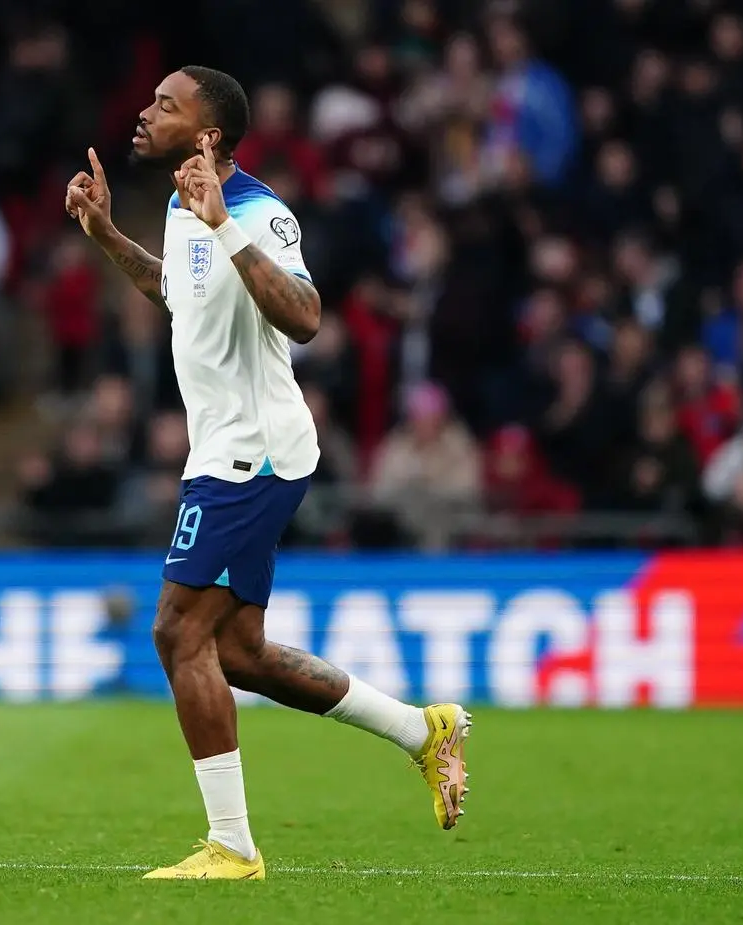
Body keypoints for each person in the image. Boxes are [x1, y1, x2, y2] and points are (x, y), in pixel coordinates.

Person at [64, 66, 470, 882]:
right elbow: (179, 296)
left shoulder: (257, 211)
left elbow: (309, 317)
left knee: (178, 632)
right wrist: (109, 235)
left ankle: (233, 847)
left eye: (165, 107)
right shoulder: (184, 205)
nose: (144, 113)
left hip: (254, 452)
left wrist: (230, 229)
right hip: (226, 449)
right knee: (237, 652)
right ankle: (424, 731)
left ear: (209, 136)